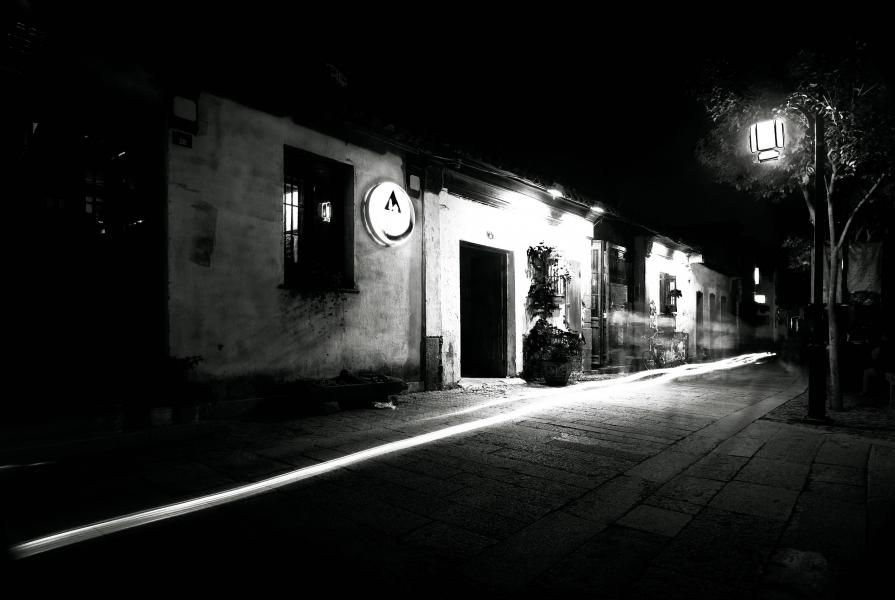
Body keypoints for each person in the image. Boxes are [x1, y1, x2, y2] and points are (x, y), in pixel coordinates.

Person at [861, 331, 893, 400]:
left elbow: (874, 357)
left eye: (882, 336)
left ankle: (865, 391)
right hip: (888, 369)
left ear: (884, 337)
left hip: (884, 370)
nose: (881, 337)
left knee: (866, 371)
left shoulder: (883, 345)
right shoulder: (890, 344)